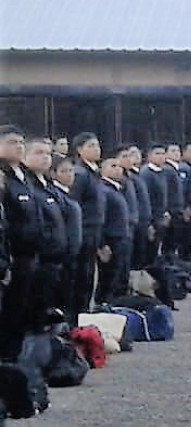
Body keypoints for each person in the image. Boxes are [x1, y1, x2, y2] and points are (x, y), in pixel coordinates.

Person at [0, 125, 47, 359]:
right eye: (11, 142)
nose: (18, 146)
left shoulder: (25, 176)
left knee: (24, 312)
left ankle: (19, 359)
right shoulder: (3, 178)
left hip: (32, 256)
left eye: (20, 142)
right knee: (9, 314)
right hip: (13, 257)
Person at [23, 139, 69, 333]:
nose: (45, 157)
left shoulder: (47, 185)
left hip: (56, 259)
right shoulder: (26, 186)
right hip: (37, 259)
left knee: (49, 310)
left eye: (48, 154)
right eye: (38, 152)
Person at [69, 132, 106, 323]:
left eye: (97, 145)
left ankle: (84, 315)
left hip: (95, 232)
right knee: (82, 278)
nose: (96, 149)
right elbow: (75, 205)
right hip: (84, 232)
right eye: (90, 146)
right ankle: (77, 317)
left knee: (90, 276)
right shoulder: (80, 173)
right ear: (79, 150)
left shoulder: (94, 172)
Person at [95, 154, 133, 305]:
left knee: (120, 277)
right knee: (108, 279)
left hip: (122, 238)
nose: (118, 170)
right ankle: (103, 307)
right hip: (111, 241)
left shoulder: (117, 189)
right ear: (102, 169)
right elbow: (100, 219)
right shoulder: (103, 190)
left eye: (119, 166)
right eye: (113, 166)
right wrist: (102, 244)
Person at [49, 154, 83, 316]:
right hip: (62, 255)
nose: (70, 175)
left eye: (71, 170)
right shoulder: (56, 195)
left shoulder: (68, 194)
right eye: (64, 171)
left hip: (73, 254)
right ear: (54, 174)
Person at [122, 144, 154, 268]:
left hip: (144, 221)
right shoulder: (127, 178)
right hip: (135, 223)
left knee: (143, 257)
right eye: (131, 154)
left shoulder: (139, 175)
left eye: (137, 153)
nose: (134, 157)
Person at [140, 142, 172, 257]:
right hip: (152, 219)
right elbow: (146, 199)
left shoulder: (164, 172)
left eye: (163, 153)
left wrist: (165, 212)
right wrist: (150, 223)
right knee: (149, 253)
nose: (161, 156)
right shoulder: (146, 174)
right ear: (149, 156)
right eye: (157, 153)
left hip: (161, 217)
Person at [163, 143, 190, 258]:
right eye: (173, 151)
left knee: (178, 239)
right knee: (169, 241)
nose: (176, 153)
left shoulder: (181, 168)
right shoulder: (166, 170)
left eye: (178, 151)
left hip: (180, 209)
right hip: (171, 209)